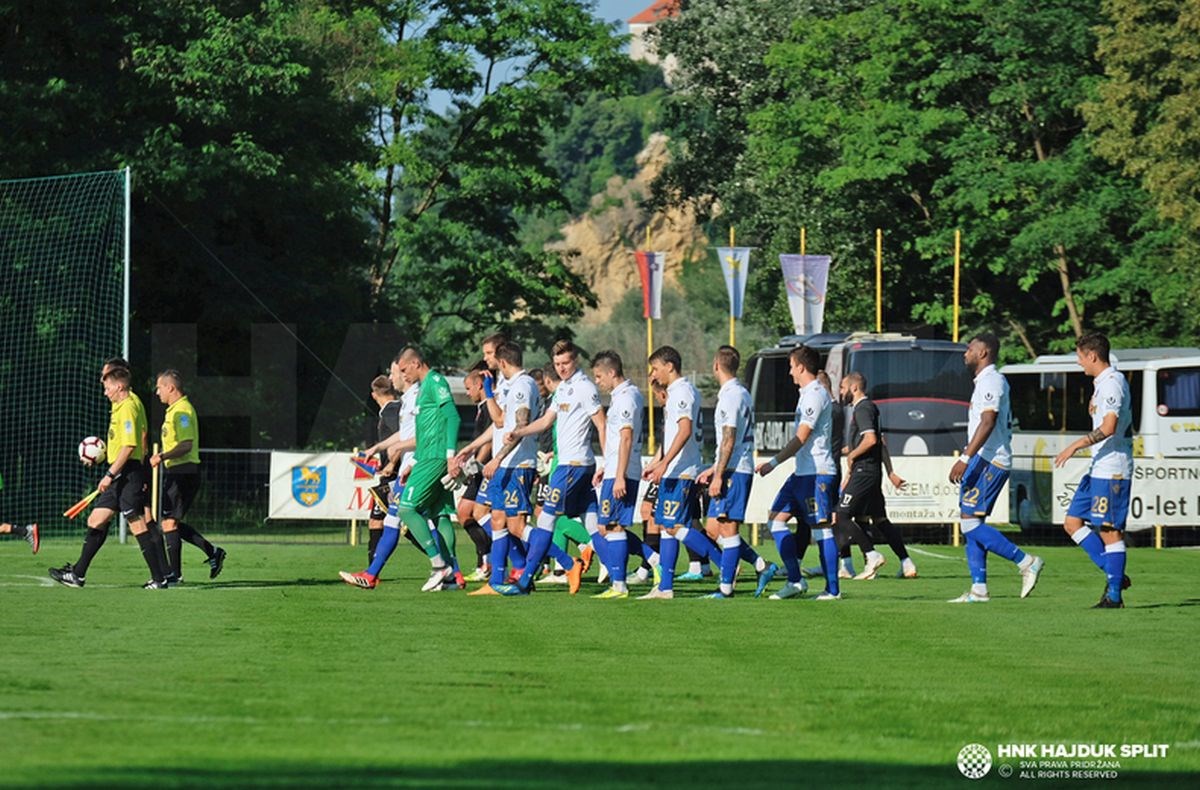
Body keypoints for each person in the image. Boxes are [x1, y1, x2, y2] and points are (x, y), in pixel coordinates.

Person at [340, 345, 460, 591]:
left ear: (414, 364)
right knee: (432, 516)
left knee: (405, 511)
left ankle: (442, 567)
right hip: (419, 460)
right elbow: (415, 433)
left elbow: (440, 424)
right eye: (398, 372)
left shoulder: (427, 387)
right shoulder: (411, 397)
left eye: (401, 370)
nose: (399, 376)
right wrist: (381, 449)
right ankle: (451, 574)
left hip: (428, 459)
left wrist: (442, 456)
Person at [494, 340, 605, 595]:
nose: (562, 368)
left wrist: (607, 462)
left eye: (565, 363)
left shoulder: (585, 387)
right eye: (557, 364)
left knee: (546, 519)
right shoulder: (563, 389)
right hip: (564, 464)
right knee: (591, 525)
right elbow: (545, 421)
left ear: (575, 361)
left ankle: (528, 579)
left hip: (574, 465)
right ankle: (635, 567)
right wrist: (520, 431)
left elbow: (601, 423)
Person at [50, 365, 169, 588]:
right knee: (96, 519)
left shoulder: (127, 407)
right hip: (120, 471)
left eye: (107, 388)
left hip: (127, 472)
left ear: (119, 386)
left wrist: (109, 474)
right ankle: (78, 574)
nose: (105, 392)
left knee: (137, 523)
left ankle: (159, 578)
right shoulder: (121, 405)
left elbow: (129, 445)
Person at [947, 333, 1044, 603]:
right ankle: (979, 589)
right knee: (971, 520)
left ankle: (1026, 561)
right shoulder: (983, 382)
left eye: (969, 349)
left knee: (969, 523)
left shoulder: (992, 380)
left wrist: (965, 457)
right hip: (982, 458)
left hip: (991, 459)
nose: (965, 353)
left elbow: (988, 422)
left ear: (983, 352)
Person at [1054, 331, 1134, 608]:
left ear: (1092, 355)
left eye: (1079, 357)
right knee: (1072, 522)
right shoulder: (1104, 383)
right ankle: (1115, 575)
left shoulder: (1112, 383)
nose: (1079, 363)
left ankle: (1114, 595)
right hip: (1098, 465)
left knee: (1109, 530)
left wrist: (1075, 445)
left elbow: (1110, 428)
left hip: (1112, 468)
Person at [755, 345, 840, 600]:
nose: (790, 372)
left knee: (820, 528)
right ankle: (795, 580)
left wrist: (773, 463)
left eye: (791, 366)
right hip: (802, 473)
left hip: (817, 473)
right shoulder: (806, 394)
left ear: (801, 367)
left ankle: (832, 590)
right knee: (776, 519)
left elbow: (801, 437)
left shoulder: (815, 394)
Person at [458, 340, 541, 595]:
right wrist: (471, 447)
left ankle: (567, 561)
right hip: (505, 464)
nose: (487, 359)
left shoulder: (521, 386)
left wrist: (496, 458)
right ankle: (497, 580)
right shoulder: (509, 384)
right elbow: (500, 425)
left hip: (516, 463)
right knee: (493, 517)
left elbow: (514, 425)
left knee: (515, 525)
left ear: (502, 360)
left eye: (489, 354)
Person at [695, 346, 777, 598]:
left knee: (728, 529)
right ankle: (762, 566)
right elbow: (734, 440)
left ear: (716, 366)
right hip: (732, 466)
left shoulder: (731, 396)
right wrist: (714, 468)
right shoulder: (740, 393)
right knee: (714, 528)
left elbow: (730, 438)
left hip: (734, 470)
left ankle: (726, 587)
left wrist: (719, 475)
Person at [638, 346, 709, 600]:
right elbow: (672, 434)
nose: (653, 374)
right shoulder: (678, 392)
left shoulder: (682, 392)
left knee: (675, 526)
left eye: (656, 368)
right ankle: (665, 586)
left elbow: (685, 430)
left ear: (670, 366)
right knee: (668, 526)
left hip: (681, 471)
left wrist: (665, 463)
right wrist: (657, 461)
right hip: (673, 469)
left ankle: (724, 564)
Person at [591, 350, 660, 598]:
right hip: (614, 469)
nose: (597, 381)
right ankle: (654, 561)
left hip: (623, 472)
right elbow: (616, 441)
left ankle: (619, 585)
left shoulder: (626, 398)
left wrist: (619, 475)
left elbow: (627, 437)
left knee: (612, 526)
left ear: (611, 373)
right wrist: (605, 467)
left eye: (599, 376)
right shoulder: (621, 396)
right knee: (605, 526)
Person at [834, 372, 916, 581]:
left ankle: (872, 555)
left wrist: (852, 455)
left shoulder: (862, 408)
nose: (841, 392)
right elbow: (879, 443)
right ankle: (906, 563)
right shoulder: (870, 408)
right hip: (873, 472)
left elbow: (870, 440)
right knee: (876, 519)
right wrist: (890, 472)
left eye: (843, 387)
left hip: (864, 472)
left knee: (841, 515)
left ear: (854, 388)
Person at [147, 369, 225, 583]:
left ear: (170, 388)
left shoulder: (182, 411)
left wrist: (161, 456)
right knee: (170, 523)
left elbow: (186, 445)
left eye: (159, 387)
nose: (156, 392)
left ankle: (175, 574)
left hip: (184, 471)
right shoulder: (174, 410)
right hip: (177, 471)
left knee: (169, 523)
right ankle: (212, 552)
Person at [359, 373, 404, 565]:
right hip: (394, 472)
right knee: (385, 521)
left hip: (396, 475)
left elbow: (402, 438)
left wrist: (392, 463)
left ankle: (371, 570)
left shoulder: (390, 411)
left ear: (374, 394)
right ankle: (372, 569)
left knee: (381, 521)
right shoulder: (397, 408)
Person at [457, 363, 495, 581]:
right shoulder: (481, 408)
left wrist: (476, 464)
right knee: (465, 513)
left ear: (479, 385)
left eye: (469, 388)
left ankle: (492, 560)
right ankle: (486, 561)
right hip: (479, 470)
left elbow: (489, 441)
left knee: (472, 513)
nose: (467, 393)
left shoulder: (490, 407)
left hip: (486, 470)